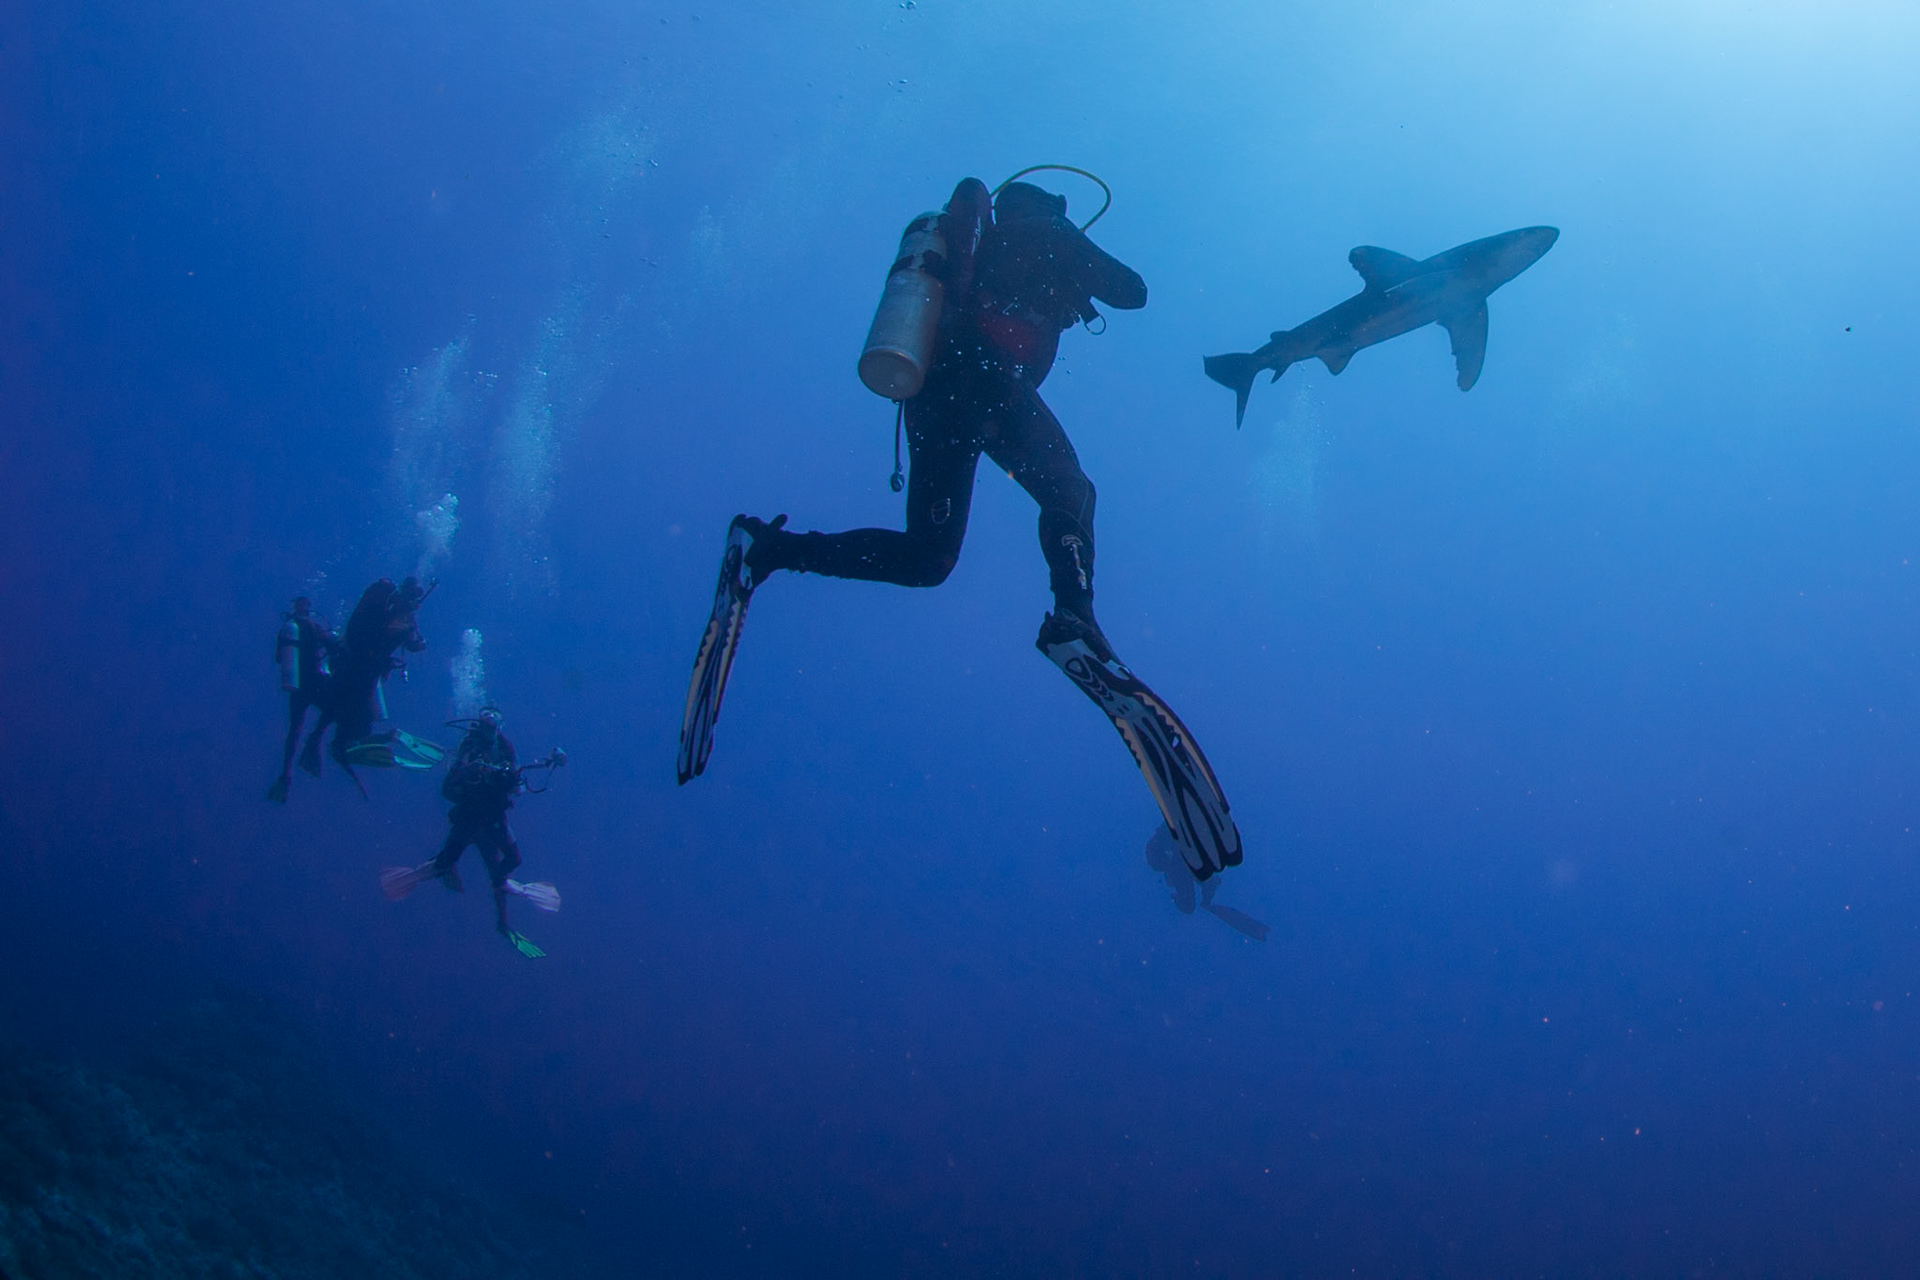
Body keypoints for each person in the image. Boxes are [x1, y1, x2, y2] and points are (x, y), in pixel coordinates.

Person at [679, 174, 1243, 878]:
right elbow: (1134, 291)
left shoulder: (982, 249)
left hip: (934, 393)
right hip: (982, 379)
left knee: (928, 557)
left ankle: (764, 551)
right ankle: (1076, 618)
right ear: (1048, 209)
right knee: (1069, 489)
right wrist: (1075, 257)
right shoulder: (1046, 234)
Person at [381, 705, 563, 958]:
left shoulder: (506, 747)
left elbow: (518, 785)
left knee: (510, 861)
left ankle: (502, 907)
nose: (490, 725)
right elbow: (457, 771)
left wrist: (511, 779)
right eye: (486, 720)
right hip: (470, 817)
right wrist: (472, 769)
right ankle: (424, 875)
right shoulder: (470, 743)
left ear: (499, 725)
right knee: (447, 862)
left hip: (494, 819)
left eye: (493, 722)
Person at [298, 576, 437, 785]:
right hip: (354, 664)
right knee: (342, 704)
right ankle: (331, 741)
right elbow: (364, 631)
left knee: (355, 708)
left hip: (370, 669)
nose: (415, 602)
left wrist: (419, 644)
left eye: (417, 598)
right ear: (404, 592)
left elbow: (410, 644)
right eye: (412, 596)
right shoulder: (385, 603)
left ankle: (346, 740)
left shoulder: (405, 616)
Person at [267, 596, 339, 803]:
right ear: (308, 609)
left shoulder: (287, 628)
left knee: (294, 730)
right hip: (316, 682)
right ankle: (315, 740)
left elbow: (279, 658)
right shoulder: (315, 627)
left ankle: (286, 776)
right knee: (334, 710)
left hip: (298, 685)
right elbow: (333, 649)